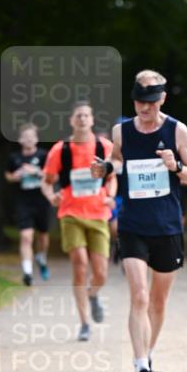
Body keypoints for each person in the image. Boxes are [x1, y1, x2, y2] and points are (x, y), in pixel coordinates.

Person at [91, 69, 187, 372]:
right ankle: (141, 367)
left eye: (150, 102)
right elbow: (119, 164)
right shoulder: (121, 131)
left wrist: (176, 166)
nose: (144, 107)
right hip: (133, 223)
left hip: (167, 224)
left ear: (162, 99)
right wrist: (106, 169)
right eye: (139, 101)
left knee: (158, 301)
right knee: (138, 295)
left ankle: (148, 354)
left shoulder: (177, 130)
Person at [41, 103, 115, 340]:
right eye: (78, 116)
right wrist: (51, 195)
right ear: (72, 121)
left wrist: (111, 196)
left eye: (86, 115)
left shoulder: (105, 147)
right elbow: (46, 180)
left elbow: (112, 177)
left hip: (98, 213)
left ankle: (93, 294)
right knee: (80, 264)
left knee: (101, 273)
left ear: (92, 120)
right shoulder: (60, 150)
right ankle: (84, 323)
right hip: (70, 213)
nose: (82, 119)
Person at [5, 123, 51, 285]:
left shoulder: (45, 155)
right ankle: (27, 272)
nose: (29, 140)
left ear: (37, 139)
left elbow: (52, 176)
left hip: (42, 200)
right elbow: (8, 176)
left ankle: (42, 258)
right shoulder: (14, 158)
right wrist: (16, 176)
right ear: (20, 140)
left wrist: (36, 172)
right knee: (26, 237)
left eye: (32, 137)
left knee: (43, 236)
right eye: (25, 137)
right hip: (23, 201)